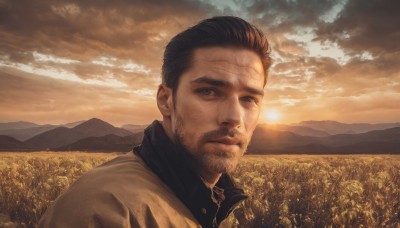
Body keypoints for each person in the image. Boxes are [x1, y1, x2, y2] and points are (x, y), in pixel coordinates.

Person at [39, 16, 271, 228]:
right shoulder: (102, 212)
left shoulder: (208, 196)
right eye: (209, 91)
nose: (233, 117)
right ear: (165, 100)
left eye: (249, 98)